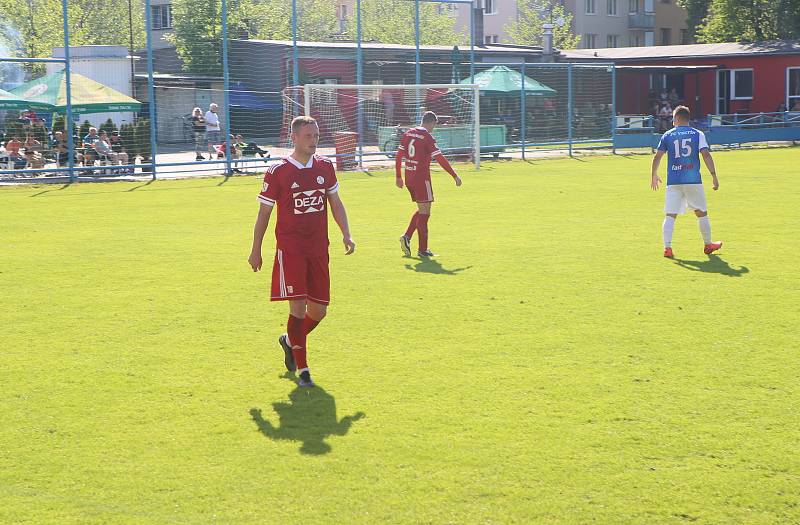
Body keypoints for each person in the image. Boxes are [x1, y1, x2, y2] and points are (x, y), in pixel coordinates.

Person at [248, 116, 355, 388]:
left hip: (319, 248)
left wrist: (346, 232)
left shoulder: (325, 167)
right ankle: (304, 369)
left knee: (319, 312)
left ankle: (289, 340)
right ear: (294, 138)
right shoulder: (278, 171)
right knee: (297, 308)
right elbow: (264, 213)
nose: (314, 140)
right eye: (308, 136)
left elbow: (335, 202)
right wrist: (256, 249)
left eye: (317, 135)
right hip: (291, 250)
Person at [651, 105, 722, 259]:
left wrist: (654, 175)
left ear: (677, 118)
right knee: (701, 213)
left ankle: (667, 248)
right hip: (693, 180)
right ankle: (708, 244)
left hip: (674, 180)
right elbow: (706, 155)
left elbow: (657, 156)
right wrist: (714, 176)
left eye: (672, 118)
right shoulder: (698, 134)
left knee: (670, 215)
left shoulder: (668, 135)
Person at [395, 111, 462, 258]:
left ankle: (407, 237)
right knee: (425, 213)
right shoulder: (427, 137)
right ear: (432, 123)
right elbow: (439, 158)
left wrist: (398, 177)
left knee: (421, 209)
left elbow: (399, 155)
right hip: (421, 179)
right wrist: (454, 175)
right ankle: (423, 250)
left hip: (409, 178)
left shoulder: (408, 134)